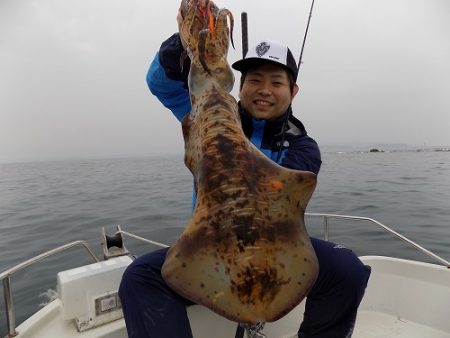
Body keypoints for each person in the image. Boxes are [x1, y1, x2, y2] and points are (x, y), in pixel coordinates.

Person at [119, 10, 371, 338]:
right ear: (241, 86)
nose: (264, 89)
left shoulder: (303, 146)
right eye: (255, 80)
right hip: (211, 248)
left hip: (278, 249)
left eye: (276, 82)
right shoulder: (208, 116)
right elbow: (161, 83)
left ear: (292, 91)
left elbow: (283, 184)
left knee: (346, 270)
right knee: (139, 277)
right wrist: (189, 43)